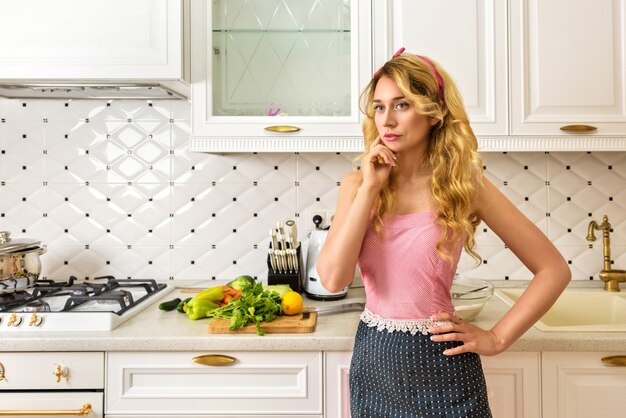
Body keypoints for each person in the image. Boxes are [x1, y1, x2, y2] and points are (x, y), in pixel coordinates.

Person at [316, 48, 571, 417]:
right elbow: (333, 279)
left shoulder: (464, 184)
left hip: (443, 362)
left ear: (433, 112)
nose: (387, 120)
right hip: (374, 363)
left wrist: (497, 338)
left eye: (402, 105)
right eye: (379, 106)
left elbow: (553, 270)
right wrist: (371, 188)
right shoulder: (357, 184)